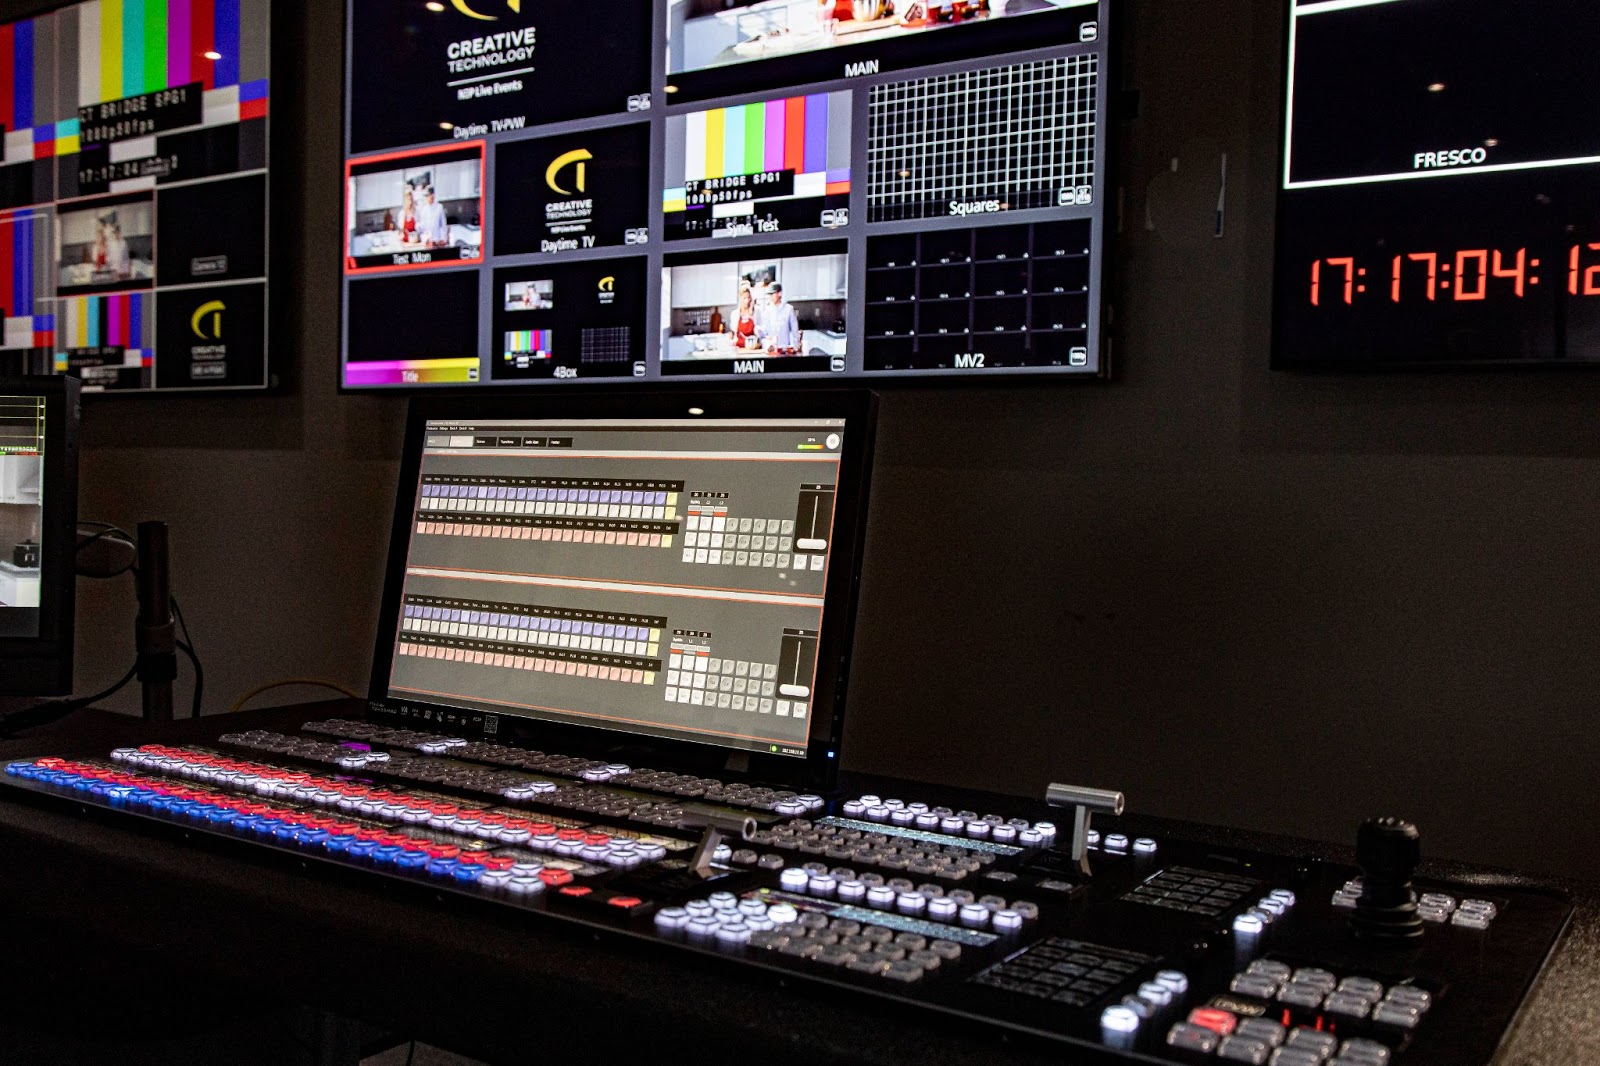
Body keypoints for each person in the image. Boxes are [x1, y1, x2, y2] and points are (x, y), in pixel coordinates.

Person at [759, 282, 800, 352]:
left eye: (772, 294)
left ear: (779, 293)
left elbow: (795, 330)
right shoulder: (767, 311)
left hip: (785, 349)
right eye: (769, 295)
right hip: (771, 349)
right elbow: (764, 332)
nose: (771, 297)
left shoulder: (788, 309)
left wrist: (796, 347)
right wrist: (759, 331)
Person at [731, 284, 758, 348]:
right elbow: (734, 330)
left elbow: (759, 331)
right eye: (744, 298)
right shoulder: (735, 314)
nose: (747, 301)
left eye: (748, 298)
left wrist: (751, 314)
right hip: (739, 346)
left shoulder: (756, 312)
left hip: (753, 346)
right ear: (740, 299)